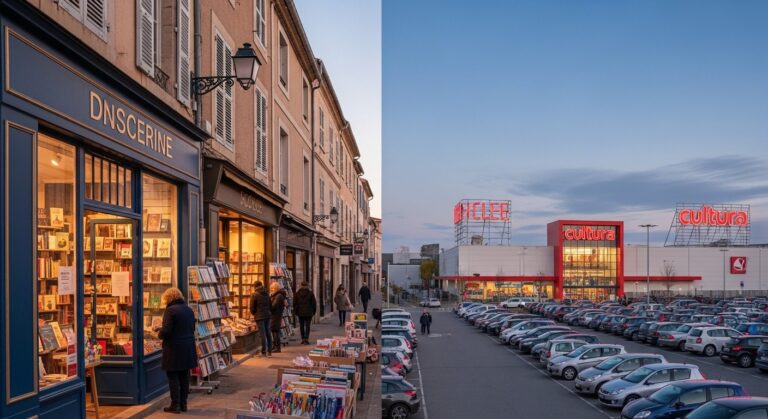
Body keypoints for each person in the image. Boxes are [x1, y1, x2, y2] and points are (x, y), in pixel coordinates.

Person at [157, 287, 196, 414]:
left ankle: (175, 405)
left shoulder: (170, 310)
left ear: (168, 298)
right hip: (188, 347)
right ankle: (184, 404)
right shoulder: (189, 310)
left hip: (174, 348)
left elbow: (166, 331)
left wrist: (158, 333)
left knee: (173, 376)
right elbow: (192, 328)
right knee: (184, 376)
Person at [249, 281, 272, 357]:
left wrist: (255, 313)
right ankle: (269, 351)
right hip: (267, 316)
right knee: (268, 333)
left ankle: (263, 352)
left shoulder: (254, 295)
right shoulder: (267, 294)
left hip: (259, 317)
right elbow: (270, 305)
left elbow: (252, 308)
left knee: (262, 334)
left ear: (255, 286)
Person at [269, 282, 287, 353]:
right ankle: (275, 346)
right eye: (271, 288)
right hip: (275, 315)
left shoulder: (278, 296)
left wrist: (269, 304)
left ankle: (277, 347)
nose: (271, 290)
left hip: (276, 316)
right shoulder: (277, 295)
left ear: (276, 288)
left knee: (275, 331)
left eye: (272, 288)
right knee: (274, 331)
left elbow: (273, 306)